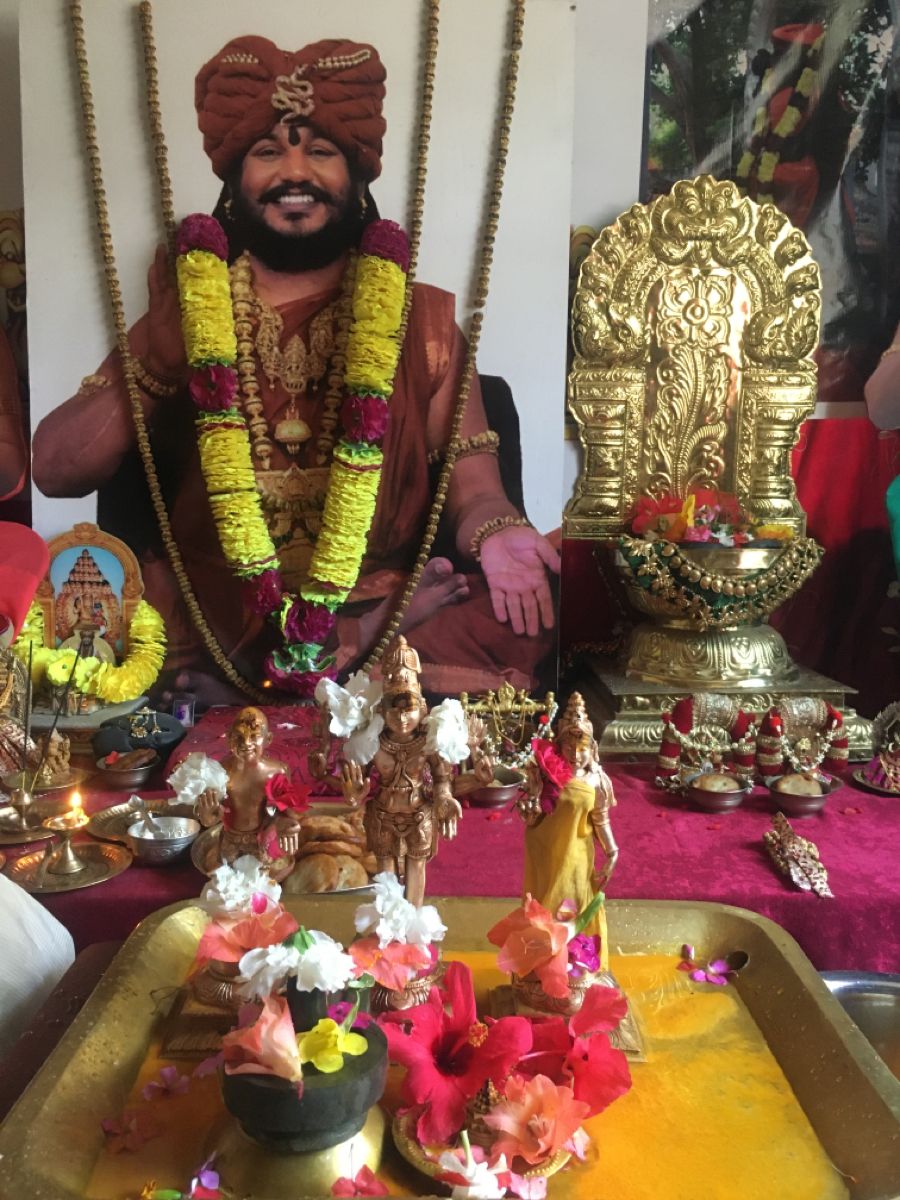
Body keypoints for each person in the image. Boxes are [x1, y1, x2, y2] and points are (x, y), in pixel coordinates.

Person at [32, 35, 560, 704]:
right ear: (234, 178)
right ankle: (339, 674)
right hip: (217, 607)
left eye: (320, 151)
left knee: (529, 607)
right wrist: (161, 356)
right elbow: (55, 470)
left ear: (358, 176)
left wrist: (499, 532)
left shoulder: (421, 324)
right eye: (267, 151)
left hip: (383, 595)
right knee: (100, 617)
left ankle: (310, 670)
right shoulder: (191, 309)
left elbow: (476, 487)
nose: (295, 172)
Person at [519, 692, 617, 971]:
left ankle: (575, 963)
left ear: (593, 749)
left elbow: (601, 820)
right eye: (569, 747)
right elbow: (532, 815)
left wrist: (612, 852)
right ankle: (541, 965)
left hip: (577, 856)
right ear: (558, 745)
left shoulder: (597, 780)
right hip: (545, 849)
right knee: (544, 904)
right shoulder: (544, 774)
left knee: (571, 903)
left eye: (582, 748)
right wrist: (531, 802)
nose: (575, 755)